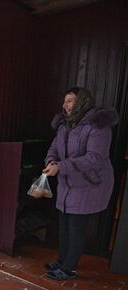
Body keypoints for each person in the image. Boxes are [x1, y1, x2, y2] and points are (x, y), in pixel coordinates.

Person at [42, 87, 119, 280]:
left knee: (76, 227)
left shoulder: (97, 126)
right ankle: (61, 260)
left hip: (89, 184)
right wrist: (51, 161)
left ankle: (69, 268)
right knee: (64, 225)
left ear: (82, 102)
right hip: (67, 184)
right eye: (64, 100)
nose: (64, 105)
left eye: (69, 101)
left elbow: (95, 157)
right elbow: (54, 149)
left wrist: (61, 166)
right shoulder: (64, 125)